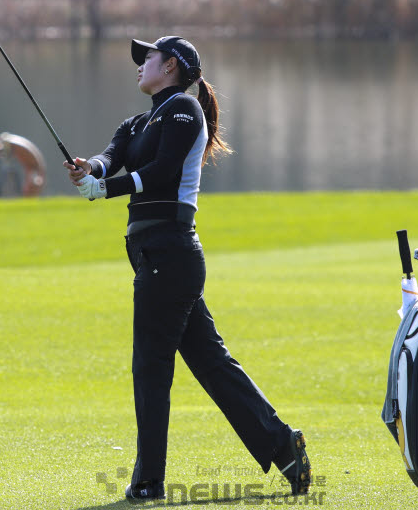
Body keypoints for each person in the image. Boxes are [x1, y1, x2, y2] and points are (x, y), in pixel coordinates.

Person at [64, 36, 311, 502]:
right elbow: (111, 157)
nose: (140, 66)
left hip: (170, 252)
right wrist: (89, 169)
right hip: (154, 257)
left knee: (150, 367)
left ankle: (148, 482)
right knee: (213, 365)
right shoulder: (137, 121)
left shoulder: (183, 110)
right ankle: (284, 446)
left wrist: (107, 190)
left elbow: (162, 170)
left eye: (148, 58)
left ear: (172, 65)